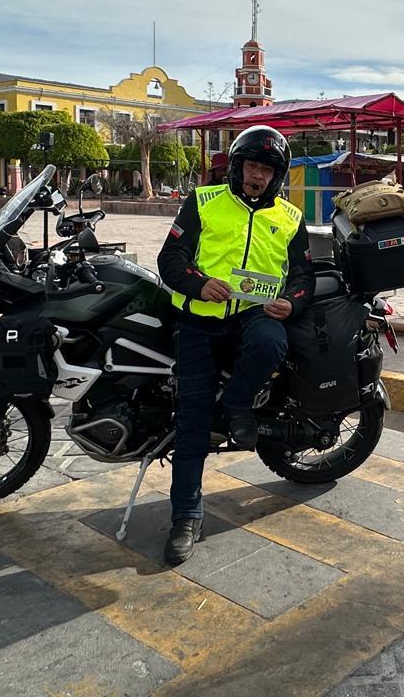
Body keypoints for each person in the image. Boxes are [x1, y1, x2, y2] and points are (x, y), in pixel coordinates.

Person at [156, 125, 314, 565]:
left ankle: (236, 406)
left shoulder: (290, 217)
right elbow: (170, 259)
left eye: (266, 169)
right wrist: (199, 284)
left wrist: (292, 302)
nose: (256, 176)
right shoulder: (203, 201)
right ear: (237, 167)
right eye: (250, 166)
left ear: (277, 175)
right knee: (192, 419)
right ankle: (186, 516)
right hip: (200, 319)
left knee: (271, 344)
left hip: (254, 315)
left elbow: (303, 275)